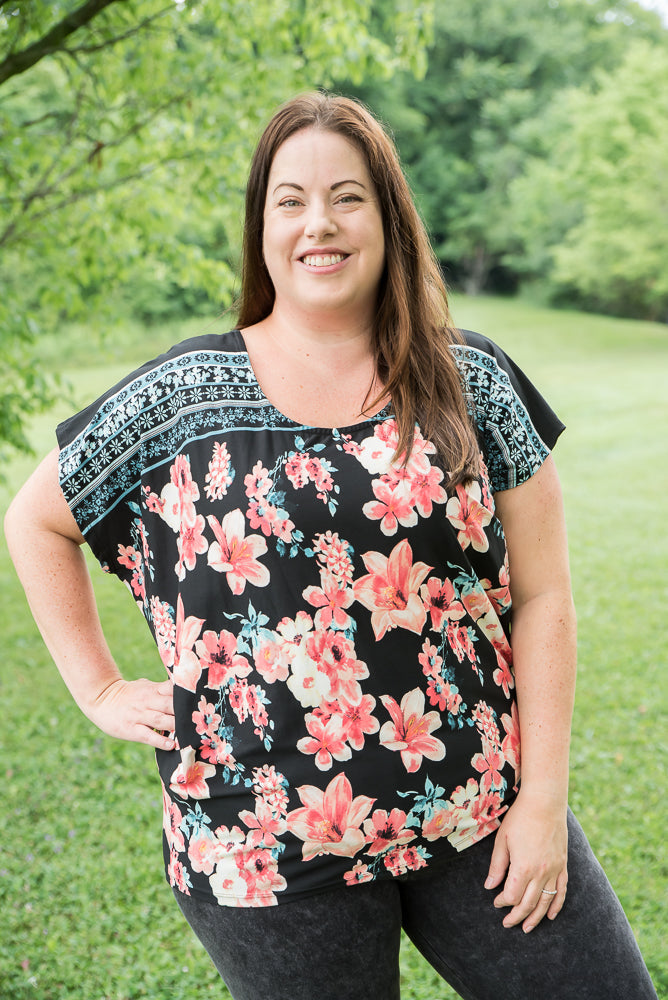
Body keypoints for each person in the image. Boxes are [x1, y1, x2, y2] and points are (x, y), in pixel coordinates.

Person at [5, 92, 657, 1000]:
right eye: (291, 199)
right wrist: (100, 687)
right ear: (262, 225)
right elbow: (36, 518)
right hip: (266, 850)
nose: (321, 222)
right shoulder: (182, 395)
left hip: (474, 811)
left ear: (388, 218)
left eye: (348, 197)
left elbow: (544, 596)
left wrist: (542, 802)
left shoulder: (472, 381)